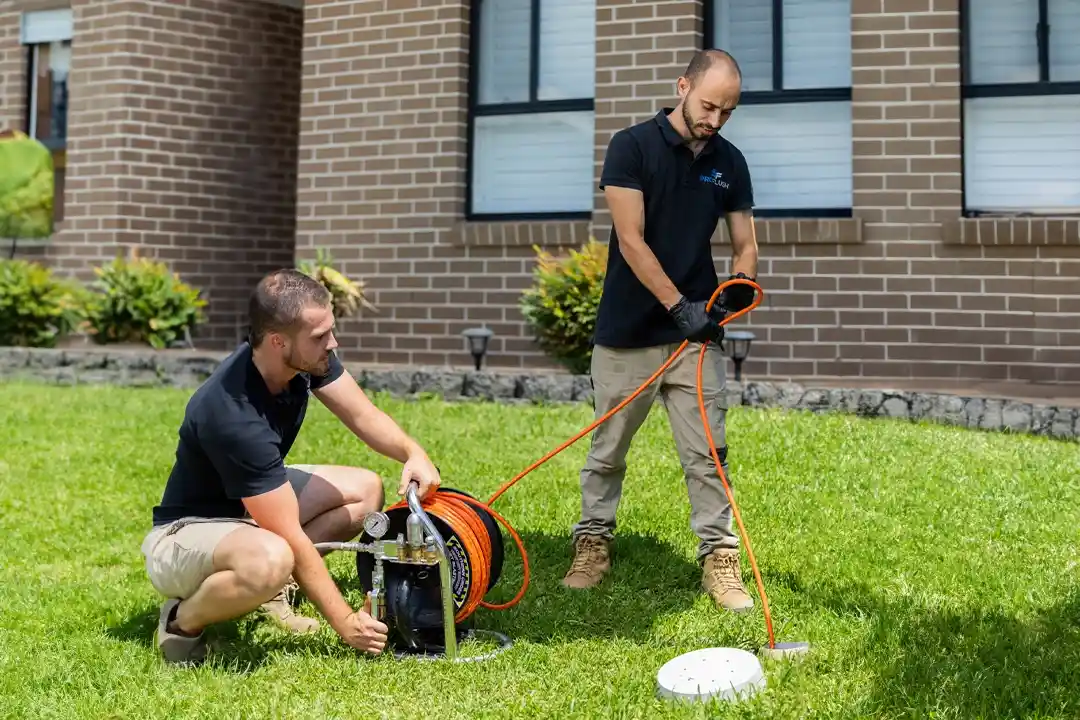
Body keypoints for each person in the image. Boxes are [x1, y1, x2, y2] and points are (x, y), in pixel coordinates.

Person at [140, 269, 443, 665]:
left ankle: (269, 594)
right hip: (187, 533)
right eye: (320, 336)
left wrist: (412, 452)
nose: (332, 343)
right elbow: (289, 537)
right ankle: (181, 622)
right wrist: (346, 622)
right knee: (275, 555)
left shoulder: (304, 362)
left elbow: (363, 415)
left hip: (246, 509)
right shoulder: (233, 413)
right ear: (278, 341)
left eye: (330, 330)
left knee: (365, 492)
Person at [562, 49, 760, 612]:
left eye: (727, 111)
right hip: (630, 331)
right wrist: (679, 308)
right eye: (707, 106)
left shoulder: (731, 161)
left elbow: (744, 243)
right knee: (607, 451)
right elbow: (631, 239)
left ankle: (720, 558)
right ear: (682, 86)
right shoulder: (632, 146)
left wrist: (741, 282)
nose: (715, 120)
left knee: (708, 455)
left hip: (696, 341)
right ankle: (593, 540)